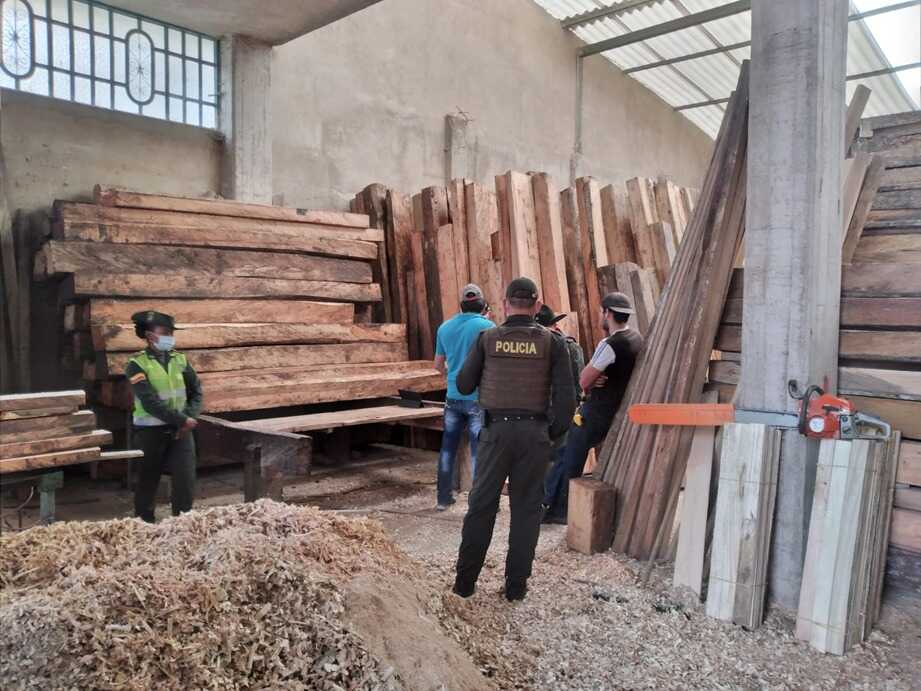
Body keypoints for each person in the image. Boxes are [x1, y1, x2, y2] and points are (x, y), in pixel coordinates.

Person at [452, 278, 576, 601]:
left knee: (481, 507)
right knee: (526, 512)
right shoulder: (553, 343)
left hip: (495, 434)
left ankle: (464, 585)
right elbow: (567, 401)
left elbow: (463, 385)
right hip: (534, 436)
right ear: (537, 306)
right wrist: (549, 435)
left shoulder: (487, 339)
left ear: (506, 304)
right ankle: (516, 588)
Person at [541, 292, 644, 524]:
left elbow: (584, 380)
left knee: (571, 458)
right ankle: (552, 505)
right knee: (566, 453)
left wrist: (592, 377)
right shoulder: (635, 337)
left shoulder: (610, 344)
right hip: (617, 409)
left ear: (607, 313)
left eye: (601, 312)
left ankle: (560, 511)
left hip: (597, 412)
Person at [125, 311, 203, 523]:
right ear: (149, 335)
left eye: (171, 333)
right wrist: (181, 420)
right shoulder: (136, 364)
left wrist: (188, 418)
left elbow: (196, 391)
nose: (170, 337)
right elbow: (149, 402)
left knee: (185, 479)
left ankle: (182, 524)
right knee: (147, 480)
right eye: (165, 332)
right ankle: (144, 525)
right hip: (150, 432)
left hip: (182, 431)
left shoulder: (180, 359)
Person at [433, 284, 496, 510]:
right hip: (478, 398)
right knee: (480, 451)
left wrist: (453, 374)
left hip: (452, 397)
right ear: (483, 305)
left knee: (448, 449)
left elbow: (438, 365)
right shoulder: (488, 327)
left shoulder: (444, 328)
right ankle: (480, 501)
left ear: (461, 305)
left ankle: (443, 499)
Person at [534, 305, 585, 519]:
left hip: (536, 411)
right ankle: (553, 508)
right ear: (555, 324)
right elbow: (580, 382)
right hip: (563, 410)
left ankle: (538, 506)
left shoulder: (532, 346)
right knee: (561, 458)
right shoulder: (569, 346)